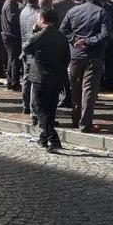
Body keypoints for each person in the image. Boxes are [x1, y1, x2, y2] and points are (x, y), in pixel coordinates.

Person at [60, 0, 112, 133]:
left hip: (76, 54)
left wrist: (75, 39)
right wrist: (87, 41)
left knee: (75, 88)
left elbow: (63, 30)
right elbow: (105, 35)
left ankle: (76, 120)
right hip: (93, 55)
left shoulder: (73, 10)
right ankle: (85, 123)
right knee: (88, 89)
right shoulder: (102, 12)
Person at [23, 9, 70, 153]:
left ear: (42, 19)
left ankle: (53, 139)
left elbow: (26, 48)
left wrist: (33, 31)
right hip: (57, 77)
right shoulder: (61, 36)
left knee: (39, 108)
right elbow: (67, 58)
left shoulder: (40, 35)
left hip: (40, 77)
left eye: (38, 18)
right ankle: (43, 138)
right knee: (50, 109)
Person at [19, 0, 42, 119]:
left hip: (25, 48)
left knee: (26, 79)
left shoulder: (23, 11)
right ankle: (32, 107)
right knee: (32, 80)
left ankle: (25, 105)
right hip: (31, 50)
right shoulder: (36, 14)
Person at [1, 0, 23, 91]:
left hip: (11, 36)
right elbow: (12, 19)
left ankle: (10, 81)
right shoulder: (9, 4)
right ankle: (14, 82)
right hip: (11, 36)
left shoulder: (14, 4)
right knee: (14, 60)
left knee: (11, 59)